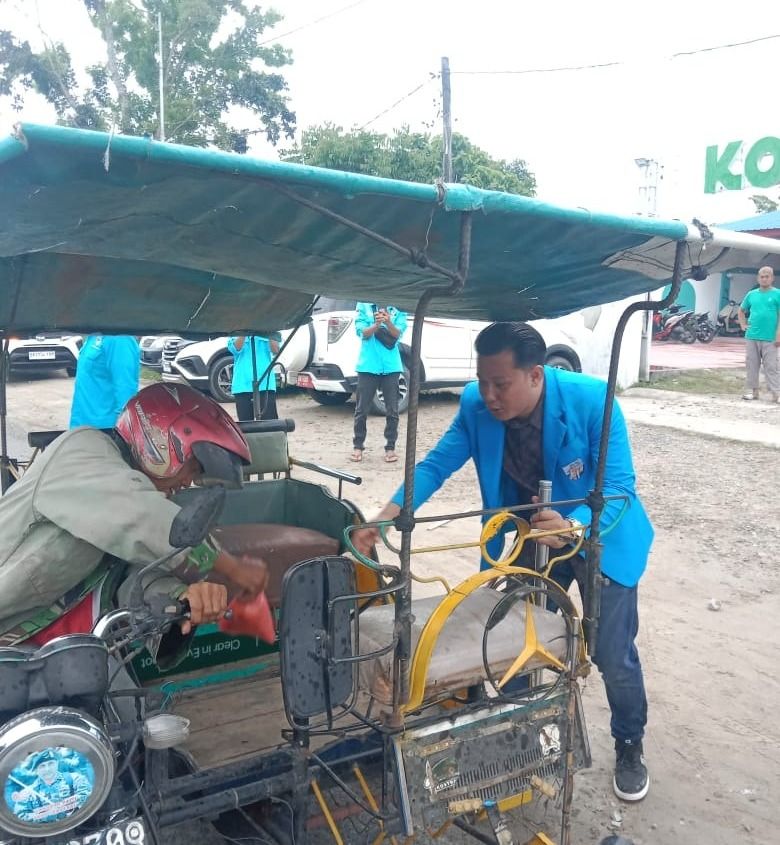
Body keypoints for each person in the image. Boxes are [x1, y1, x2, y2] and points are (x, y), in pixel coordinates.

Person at [352, 322, 654, 802]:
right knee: (510, 639)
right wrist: (386, 516)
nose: (489, 395)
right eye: (482, 381)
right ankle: (523, 739)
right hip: (528, 537)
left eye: (500, 384)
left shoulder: (593, 401)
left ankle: (629, 742)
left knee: (611, 652)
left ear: (535, 375)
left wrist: (573, 526)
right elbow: (435, 465)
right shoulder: (476, 404)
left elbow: (619, 488)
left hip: (600, 538)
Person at [0, 383, 268, 655]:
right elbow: (142, 520)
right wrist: (235, 569)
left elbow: (135, 573)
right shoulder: (83, 450)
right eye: (192, 468)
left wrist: (181, 597)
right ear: (162, 442)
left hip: (62, 651)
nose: (188, 482)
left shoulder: (125, 507)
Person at [350, 303, 408, 464]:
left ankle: (390, 448)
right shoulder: (364, 306)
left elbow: (398, 334)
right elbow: (362, 333)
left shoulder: (398, 308)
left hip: (391, 366)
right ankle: (358, 446)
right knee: (361, 409)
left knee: (392, 410)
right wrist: (376, 324)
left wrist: (388, 322)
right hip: (368, 365)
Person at [69, 334, 140, 429]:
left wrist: (121, 432)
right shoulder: (94, 335)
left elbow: (126, 393)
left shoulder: (120, 340)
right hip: (80, 427)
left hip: (103, 430)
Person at [11, 749, 91, 824]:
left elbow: (88, 796)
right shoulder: (28, 793)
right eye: (42, 766)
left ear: (57, 764)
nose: (47, 769)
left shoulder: (75, 779)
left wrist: (65, 807)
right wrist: (47, 815)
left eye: (51, 763)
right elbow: (20, 815)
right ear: (35, 770)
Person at [738, 266, 780, 403]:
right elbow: (741, 310)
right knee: (752, 365)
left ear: (772, 278)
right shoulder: (751, 294)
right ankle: (753, 392)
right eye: (762, 276)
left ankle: (776, 394)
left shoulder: (777, 294)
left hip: (770, 337)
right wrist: (743, 325)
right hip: (752, 336)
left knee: (771, 366)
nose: (764, 279)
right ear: (758, 278)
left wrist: (778, 334)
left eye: (767, 276)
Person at [227, 334, 280, 422]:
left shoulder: (269, 331)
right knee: (246, 424)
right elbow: (235, 349)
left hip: (265, 384)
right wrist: (244, 331)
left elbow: (276, 350)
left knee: (270, 422)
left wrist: (269, 331)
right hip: (242, 385)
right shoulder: (236, 331)